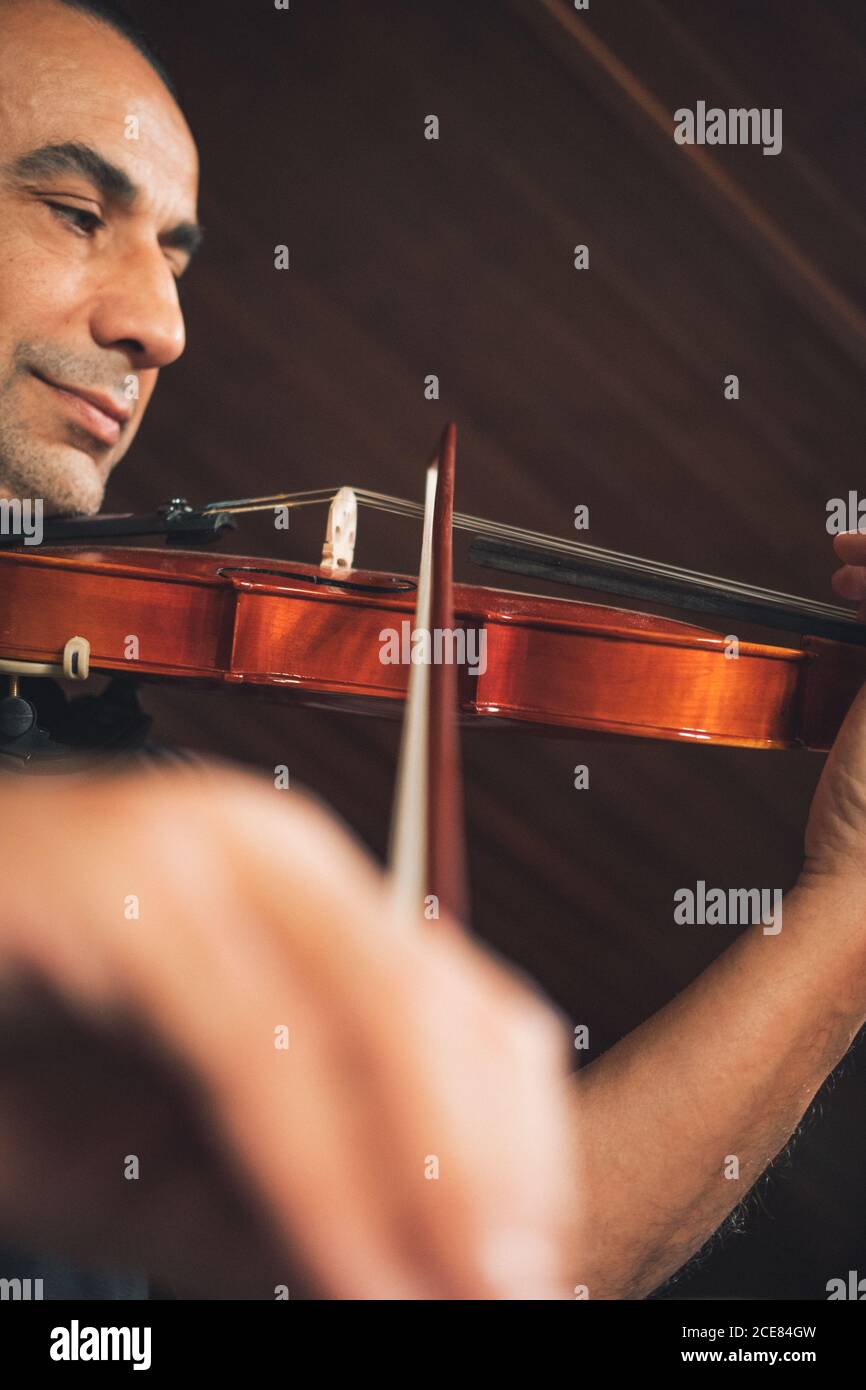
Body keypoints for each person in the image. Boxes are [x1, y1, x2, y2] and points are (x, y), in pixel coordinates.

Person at [1, 0, 866, 1300]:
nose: (163, 325)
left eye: (177, 255)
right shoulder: (129, 851)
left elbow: (504, 1264)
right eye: (76, 212)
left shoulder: (105, 770)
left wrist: (847, 909)